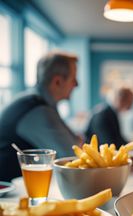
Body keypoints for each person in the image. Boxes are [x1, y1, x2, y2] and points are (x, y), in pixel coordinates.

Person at [0, 51, 81, 182]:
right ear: (57, 82)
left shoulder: (33, 103)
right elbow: (74, 158)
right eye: (73, 79)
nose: (77, 84)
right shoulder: (37, 110)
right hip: (9, 195)